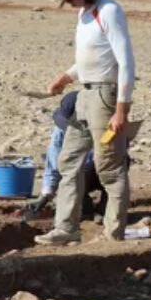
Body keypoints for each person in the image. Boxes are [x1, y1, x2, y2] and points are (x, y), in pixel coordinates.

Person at [35, 0, 135, 245]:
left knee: (109, 167)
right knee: (68, 160)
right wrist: (66, 77)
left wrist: (121, 110)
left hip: (105, 97)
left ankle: (113, 234)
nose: (67, 1)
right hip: (84, 95)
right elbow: (91, 58)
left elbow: (126, 63)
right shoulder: (84, 14)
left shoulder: (109, 11)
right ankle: (66, 228)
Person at [26, 90, 106, 219]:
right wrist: (46, 194)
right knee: (68, 176)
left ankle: (105, 209)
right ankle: (85, 208)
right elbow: (53, 161)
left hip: (101, 169)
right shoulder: (60, 131)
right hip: (80, 172)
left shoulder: (103, 122)